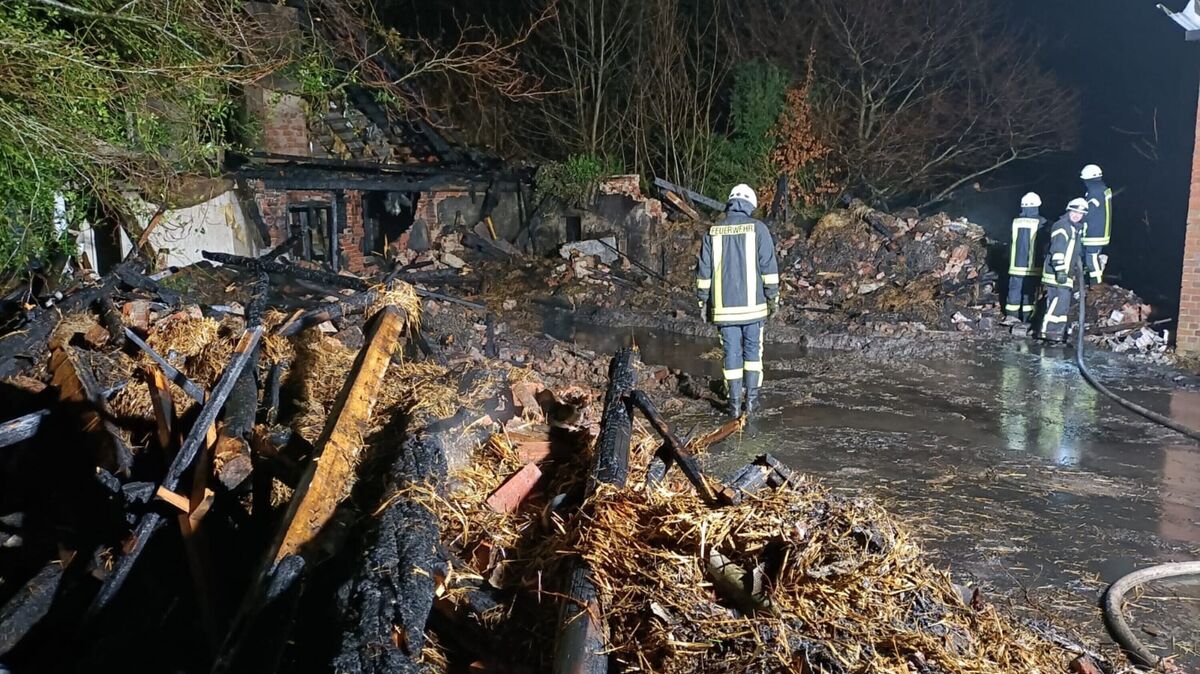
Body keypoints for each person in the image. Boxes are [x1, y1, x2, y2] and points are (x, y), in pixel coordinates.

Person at [696, 184, 780, 417]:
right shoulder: (759, 229)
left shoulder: (713, 232)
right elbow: (769, 268)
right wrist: (773, 298)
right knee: (753, 354)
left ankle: (733, 405)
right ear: (750, 205)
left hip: (724, 310)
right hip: (754, 308)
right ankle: (751, 402)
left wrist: (703, 302)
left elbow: (704, 272)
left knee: (731, 354)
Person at [1040, 198, 1089, 342]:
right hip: (1056, 272)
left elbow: (1074, 252)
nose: (1077, 215)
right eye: (1075, 211)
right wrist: (1060, 270)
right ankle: (1048, 331)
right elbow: (1058, 250)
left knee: (1061, 303)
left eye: (1080, 213)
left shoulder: (1075, 229)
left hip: (1065, 273)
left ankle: (1055, 332)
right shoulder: (1062, 226)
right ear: (1069, 210)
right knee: (1059, 301)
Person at [1004, 192, 1047, 324]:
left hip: (1015, 265)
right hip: (1032, 266)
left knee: (1014, 292)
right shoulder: (1042, 222)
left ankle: (1011, 317)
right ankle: (1027, 319)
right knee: (1028, 292)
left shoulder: (1015, 221)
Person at [1080, 164, 1111, 285]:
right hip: (1102, 231)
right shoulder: (1104, 190)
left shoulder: (1095, 192)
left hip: (1094, 233)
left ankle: (1096, 285)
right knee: (1093, 258)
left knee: (1091, 259)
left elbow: (1089, 212)